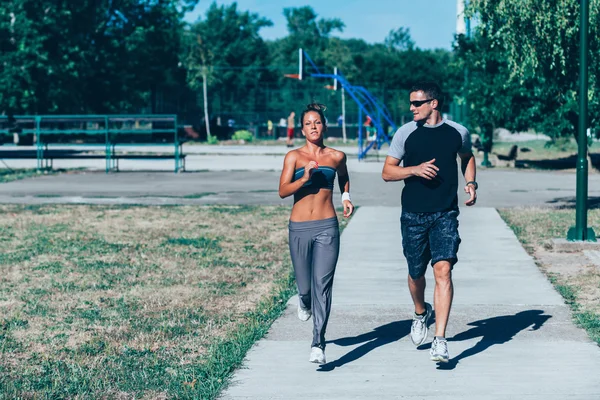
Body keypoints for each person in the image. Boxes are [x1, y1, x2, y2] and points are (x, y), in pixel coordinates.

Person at [381, 82, 477, 364]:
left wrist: (470, 182)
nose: (411, 108)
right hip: (413, 214)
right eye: (411, 103)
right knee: (415, 273)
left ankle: (441, 339)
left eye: (417, 103)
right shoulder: (405, 133)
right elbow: (387, 172)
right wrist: (414, 170)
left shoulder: (458, 132)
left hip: (445, 213)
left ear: (433, 104)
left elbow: (467, 157)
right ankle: (421, 312)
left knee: (443, 271)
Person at [278, 102, 354, 364]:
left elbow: (344, 176)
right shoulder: (294, 157)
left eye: (317, 122)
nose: (313, 126)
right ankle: (304, 300)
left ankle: (318, 343)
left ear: (324, 126)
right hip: (299, 228)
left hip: (327, 227)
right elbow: (283, 190)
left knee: (323, 287)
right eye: (308, 123)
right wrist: (304, 178)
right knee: (306, 287)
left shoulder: (336, 156)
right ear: (302, 129)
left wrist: (345, 196)